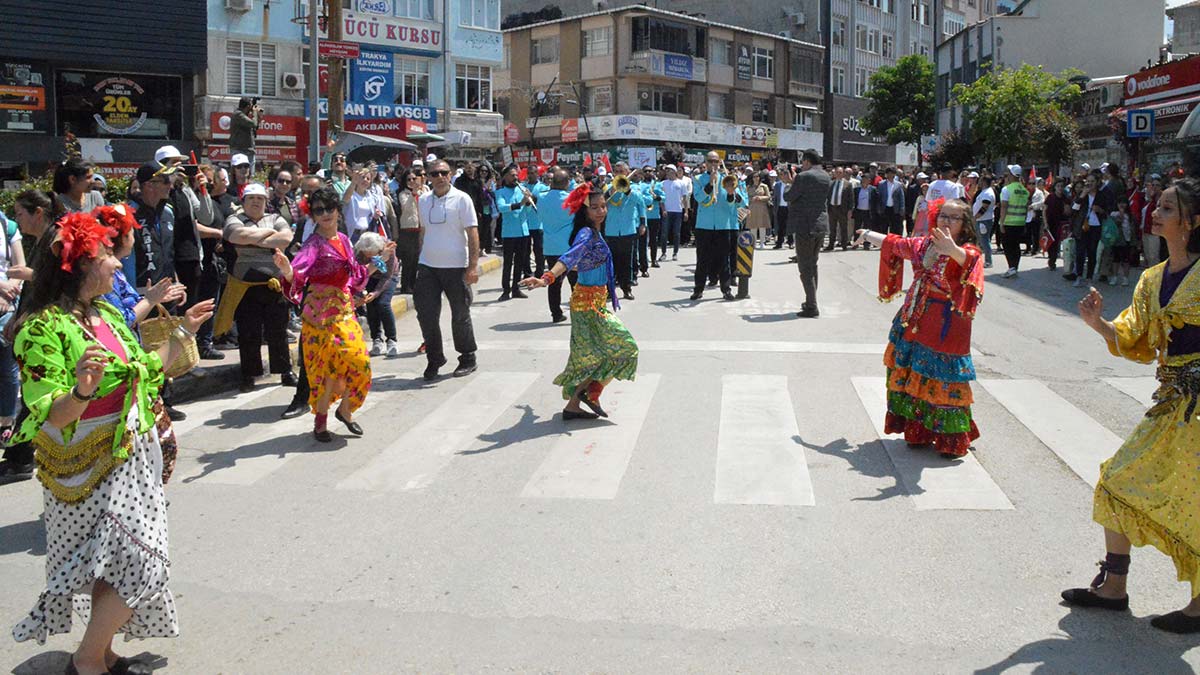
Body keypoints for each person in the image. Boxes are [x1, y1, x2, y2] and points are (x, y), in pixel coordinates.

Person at [9, 210, 213, 674]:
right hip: (84, 464)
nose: (119, 265)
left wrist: (184, 331)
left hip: (131, 456)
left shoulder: (104, 314)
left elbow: (146, 368)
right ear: (80, 265)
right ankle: (87, 661)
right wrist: (81, 389)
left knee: (116, 565)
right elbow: (49, 413)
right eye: (106, 256)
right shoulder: (40, 328)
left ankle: (100, 654)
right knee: (144, 563)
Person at [1062, 177, 1200, 634]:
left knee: (1194, 499)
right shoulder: (1152, 277)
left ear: (1192, 221)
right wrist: (1098, 323)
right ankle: (1113, 587)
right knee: (1116, 480)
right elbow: (1135, 337)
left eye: (1166, 207)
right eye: (1156, 205)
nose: (1155, 212)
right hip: (1170, 401)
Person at [853, 198, 985, 457]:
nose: (946, 221)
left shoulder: (968, 250)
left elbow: (969, 262)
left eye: (954, 217)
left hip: (947, 322)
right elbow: (897, 244)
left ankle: (951, 439)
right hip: (915, 316)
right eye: (943, 215)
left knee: (944, 376)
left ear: (965, 224)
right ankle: (919, 429)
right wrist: (867, 234)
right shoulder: (925, 244)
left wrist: (951, 249)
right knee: (913, 370)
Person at [519, 183, 638, 420]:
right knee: (627, 347)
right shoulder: (586, 234)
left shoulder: (594, 232)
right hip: (587, 305)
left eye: (603, 206)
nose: (601, 211)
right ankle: (592, 392)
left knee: (593, 355)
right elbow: (569, 257)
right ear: (584, 211)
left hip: (592, 301)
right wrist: (548, 277)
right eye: (594, 208)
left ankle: (573, 405)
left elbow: (579, 260)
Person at [274, 187, 378, 441]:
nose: (325, 214)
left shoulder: (342, 239)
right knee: (327, 370)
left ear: (338, 211)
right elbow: (298, 273)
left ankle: (344, 410)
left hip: (343, 311)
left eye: (329, 208)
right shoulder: (313, 244)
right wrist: (288, 270)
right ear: (313, 216)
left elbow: (353, 275)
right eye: (318, 210)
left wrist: (378, 263)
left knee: (358, 362)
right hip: (319, 317)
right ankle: (320, 422)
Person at [217, 183, 297, 392]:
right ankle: (249, 375)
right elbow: (235, 236)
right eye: (251, 198)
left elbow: (286, 239)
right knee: (248, 332)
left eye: (260, 198)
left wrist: (252, 238)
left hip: (274, 284)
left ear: (266, 201)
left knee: (278, 330)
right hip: (244, 285)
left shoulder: (277, 218)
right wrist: (269, 236)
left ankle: (285, 371)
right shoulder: (234, 219)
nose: (255, 202)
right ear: (243, 201)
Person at [414, 159, 480, 381]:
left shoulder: (462, 199)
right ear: (428, 177)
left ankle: (467, 357)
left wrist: (472, 266)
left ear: (450, 174)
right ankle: (435, 358)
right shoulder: (423, 200)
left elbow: (472, 233)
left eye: (443, 173)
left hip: (456, 266)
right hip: (428, 266)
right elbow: (423, 231)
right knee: (426, 315)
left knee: (460, 314)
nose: (439, 177)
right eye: (434, 174)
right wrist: (420, 258)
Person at [780, 149, 832, 318]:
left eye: (803, 162)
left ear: (807, 161)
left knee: (805, 267)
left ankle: (811, 305)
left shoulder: (803, 176)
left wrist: (789, 182)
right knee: (813, 264)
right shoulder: (826, 176)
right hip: (820, 225)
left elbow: (789, 196)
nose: (802, 165)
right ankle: (811, 300)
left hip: (805, 226)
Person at [691, 152, 737, 301]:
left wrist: (731, 193)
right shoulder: (698, 179)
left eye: (716, 161)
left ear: (719, 162)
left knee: (724, 260)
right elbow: (698, 198)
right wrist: (710, 183)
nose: (713, 164)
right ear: (706, 162)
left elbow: (732, 204)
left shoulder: (726, 179)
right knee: (702, 260)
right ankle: (698, 289)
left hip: (723, 225)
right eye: (710, 161)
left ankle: (726, 289)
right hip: (704, 226)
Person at [603, 162, 646, 300]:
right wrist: (610, 192)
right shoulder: (609, 187)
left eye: (622, 171)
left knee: (626, 262)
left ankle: (626, 289)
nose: (619, 173)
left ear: (627, 173)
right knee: (611, 262)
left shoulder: (634, 189)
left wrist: (626, 190)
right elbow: (601, 201)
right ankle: (610, 290)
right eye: (616, 171)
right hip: (611, 230)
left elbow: (640, 203)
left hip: (628, 230)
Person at [539, 168, 575, 323]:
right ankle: (578, 311)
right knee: (576, 282)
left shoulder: (541, 198)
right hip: (569, 247)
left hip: (550, 246)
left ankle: (556, 313)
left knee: (553, 281)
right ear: (567, 183)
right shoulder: (571, 199)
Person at [494, 165, 534, 301]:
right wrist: (520, 204)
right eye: (512, 175)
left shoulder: (521, 190)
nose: (515, 178)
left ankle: (516, 289)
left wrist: (528, 203)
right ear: (505, 177)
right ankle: (506, 290)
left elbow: (526, 212)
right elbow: (502, 208)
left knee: (520, 262)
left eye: (516, 175)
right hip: (509, 233)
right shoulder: (500, 192)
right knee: (508, 263)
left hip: (523, 231)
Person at [357, 232, 400, 356]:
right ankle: (376, 339)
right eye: (367, 255)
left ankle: (391, 340)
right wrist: (361, 292)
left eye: (373, 254)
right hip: (369, 276)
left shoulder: (388, 249)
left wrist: (376, 293)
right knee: (371, 306)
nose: (370, 257)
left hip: (388, 276)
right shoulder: (358, 253)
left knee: (383, 304)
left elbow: (387, 276)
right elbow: (358, 274)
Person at [392, 167, 423, 294]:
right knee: (408, 259)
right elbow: (406, 207)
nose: (411, 181)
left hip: (419, 228)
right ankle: (406, 285)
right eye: (408, 179)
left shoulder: (424, 191)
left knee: (416, 259)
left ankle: (413, 283)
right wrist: (413, 194)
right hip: (407, 229)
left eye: (414, 179)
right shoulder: (403, 194)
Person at [997, 165, 1030, 279]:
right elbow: (1026, 208)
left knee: (1008, 246)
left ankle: (1011, 267)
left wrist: (1001, 223)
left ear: (1011, 175)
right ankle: (1014, 267)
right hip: (1020, 222)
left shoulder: (1006, 189)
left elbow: (1004, 207)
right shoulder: (1025, 191)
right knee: (1016, 246)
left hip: (1009, 222)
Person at [659, 164, 688, 261]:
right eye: (667, 171)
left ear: (674, 171)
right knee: (664, 233)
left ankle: (675, 253)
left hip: (678, 211)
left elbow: (685, 198)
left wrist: (686, 212)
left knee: (676, 233)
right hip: (667, 211)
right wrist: (663, 209)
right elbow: (661, 199)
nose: (668, 172)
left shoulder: (681, 183)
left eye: (670, 170)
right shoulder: (663, 183)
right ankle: (663, 253)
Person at [229, 96, 261, 172]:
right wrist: (255, 113)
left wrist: (258, 117)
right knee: (240, 173)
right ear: (247, 106)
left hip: (248, 150)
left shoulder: (244, 116)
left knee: (250, 175)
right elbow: (253, 123)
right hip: (240, 150)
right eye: (250, 106)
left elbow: (254, 127)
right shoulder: (238, 115)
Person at [1044, 180, 1070, 271]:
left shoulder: (1065, 198)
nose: (1060, 188)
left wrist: (1067, 209)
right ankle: (1051, 258)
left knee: (1057, 242)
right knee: (1051, 242)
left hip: (1060, 223)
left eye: (1062, 186)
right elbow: (1044, 210)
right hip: (1050, 222)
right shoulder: (1050, 197)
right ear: (1055, 187)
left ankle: (1053, 260)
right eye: (1058, 186)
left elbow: (1067, 211)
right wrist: (1045, 223)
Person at [826, 167, 853, 250]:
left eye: (840, 172)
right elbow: (828, 196)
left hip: (842, 209)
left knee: (843, 228)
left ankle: (844, 245)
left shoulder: (848, 184)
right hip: (832, 208)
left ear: (843, 173)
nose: (838, 174)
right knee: (832, 228)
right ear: (834, 173)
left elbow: (851, 198)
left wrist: (850, 210)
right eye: (837, 172)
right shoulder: (831, 183)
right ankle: (831, 244)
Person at [972, 175, 996, 268]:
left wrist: (975, 217)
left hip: (984, 220)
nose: (979, 182)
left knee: (985, 241)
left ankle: (988, 261)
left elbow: (984, 207)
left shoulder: (988, 193)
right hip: (981, 220)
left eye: (981, 181)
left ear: (984, 182)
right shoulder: (984, 192)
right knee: (981, 240)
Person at [747, 172, 772, 249]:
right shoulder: (749, 187)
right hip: (752, 207)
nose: (756, 178)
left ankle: (762, 243)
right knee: (753, 226)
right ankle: (753, 243)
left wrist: (760, 198)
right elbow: (745, 197)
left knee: (762, 225)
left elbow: (768, 196)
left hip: (762, 207)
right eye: (754, 177)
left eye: (757, 176)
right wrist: (751, 199)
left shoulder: (764, 186)